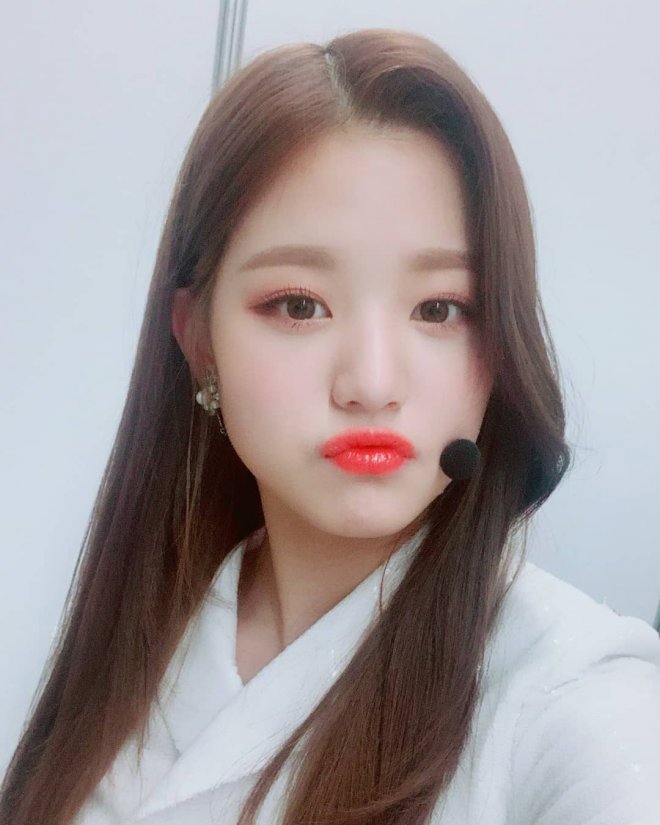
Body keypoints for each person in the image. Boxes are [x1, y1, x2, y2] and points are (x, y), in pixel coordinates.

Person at [2, 27, 659, 825]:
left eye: (440, 308)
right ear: (199, 339)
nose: (371, 384)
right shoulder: (140, 632)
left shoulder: (568, 691)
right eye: (299, 305)